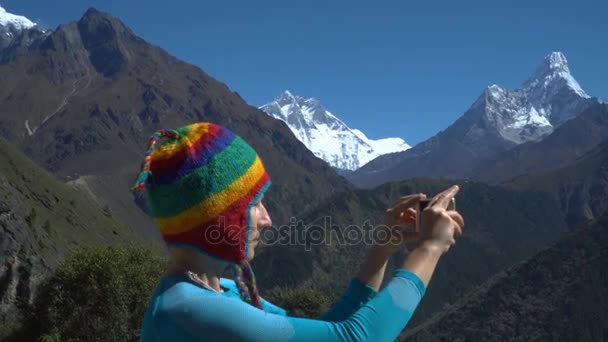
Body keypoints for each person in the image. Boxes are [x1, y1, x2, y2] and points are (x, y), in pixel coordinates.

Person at [134, 122, 464, 341]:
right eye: (256, 205)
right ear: (217, 220)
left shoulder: (222, 291)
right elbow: (355, 338)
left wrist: (384, 248)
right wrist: (429, 249)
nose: (268, 220)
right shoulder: (189, 310)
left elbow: (329, 330)